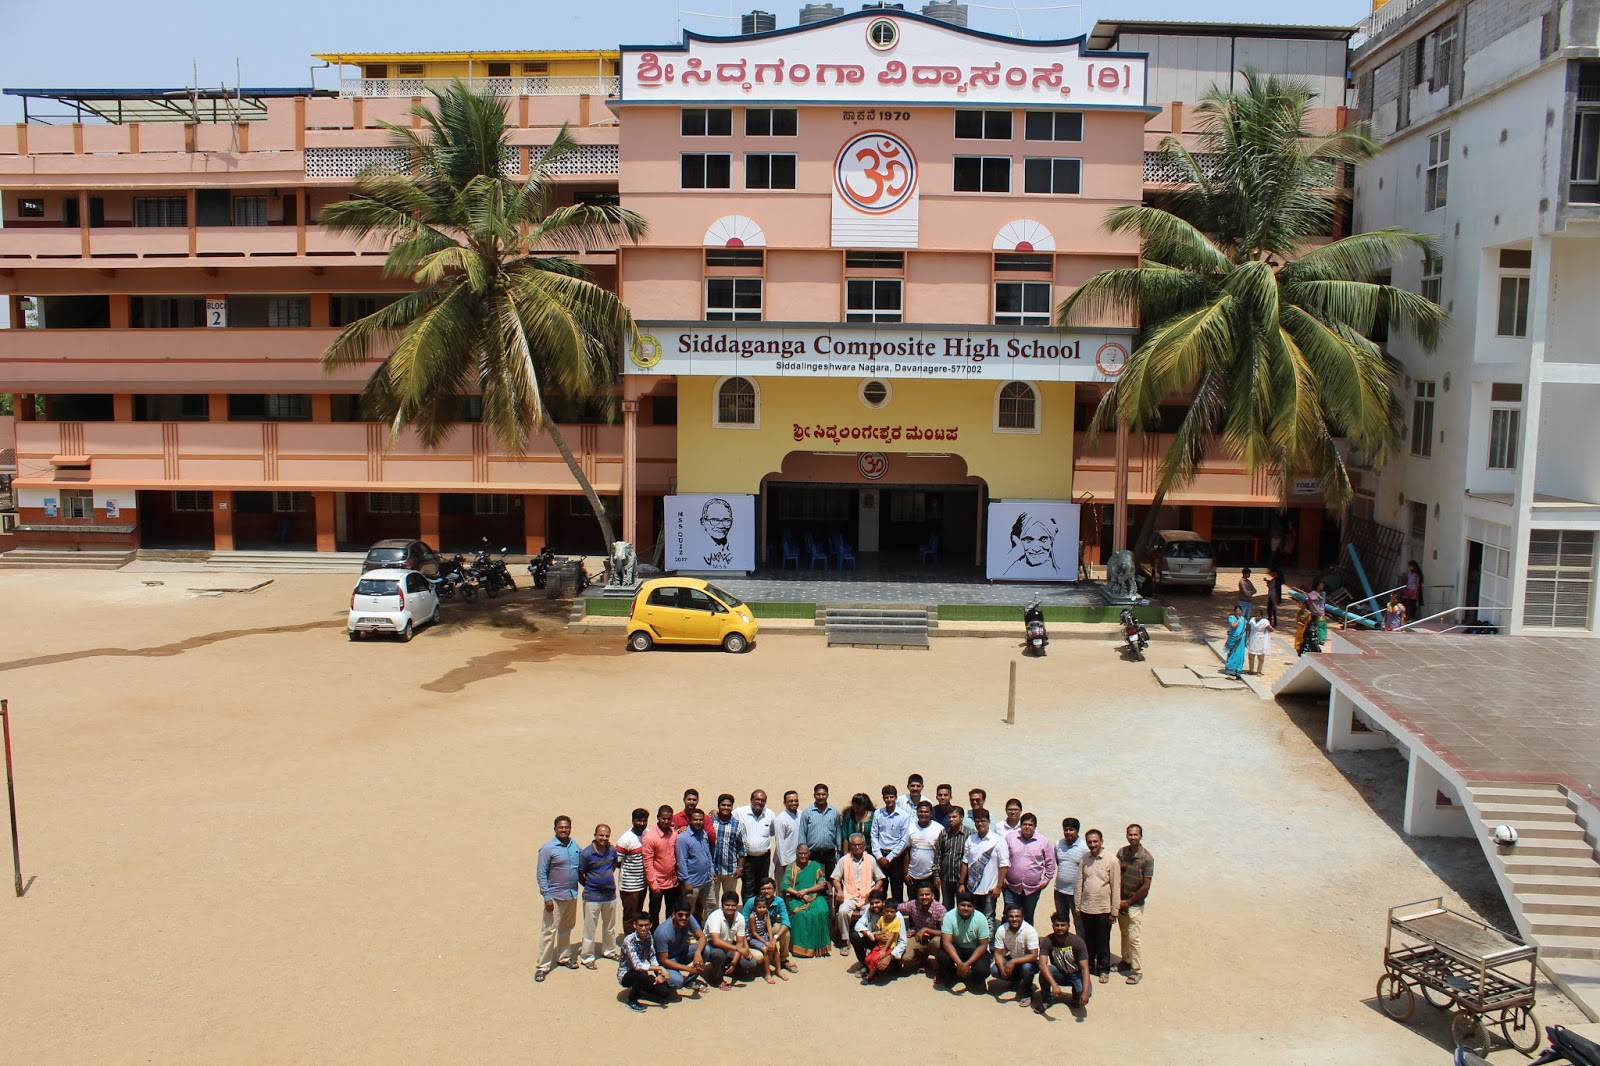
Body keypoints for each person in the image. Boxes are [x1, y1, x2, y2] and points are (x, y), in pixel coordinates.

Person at [535, 815, 583, 982]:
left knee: (567, 927)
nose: (564, 830)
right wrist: (546, 896)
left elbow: (582, 862)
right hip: (554, 897)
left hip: (571, 894)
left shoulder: (574, 844)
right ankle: (542, 966)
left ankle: (563, 957)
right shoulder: (548, 848)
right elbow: (541, 874)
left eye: (567, 827)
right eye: (561, 827)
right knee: (549, 931)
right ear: (555, 829)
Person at [1076, 829, 1120, 983]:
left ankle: (1103, 969)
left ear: (1102, 841)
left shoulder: (1112, 860)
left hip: (1103, 909)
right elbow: (1079, 883)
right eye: (1089, 842)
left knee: (1103, 940)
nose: (1092, 844)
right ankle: (1088, 967)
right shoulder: (1084, 859)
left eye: (1095, 841)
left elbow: (1116, 887)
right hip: (1087, 907)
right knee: (1088, 941)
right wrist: (1078, 906)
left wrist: (1114, 911)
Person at [578, 823, 620, 968]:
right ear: (595, 835)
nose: (604, 838)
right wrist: (592, 885)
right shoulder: (587, 853)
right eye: (601, 835)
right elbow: (580, 874)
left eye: (607, 836)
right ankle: (587, 957)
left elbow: (613, 866)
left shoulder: (612, 851)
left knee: (609, 926)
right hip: (592, 896)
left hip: (609, 895)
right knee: (590, 928)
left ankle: (609, 950)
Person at [831, 833, 885, 947]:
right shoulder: (844, 860)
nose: (857, 847)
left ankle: (868, 940)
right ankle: (845, 941)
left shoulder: (871, 859)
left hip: (867, 896)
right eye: (854, 845)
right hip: (850, 895)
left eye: (859, 845)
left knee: (872, 911)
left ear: (864, 846)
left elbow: (880, 879)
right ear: (850, 846)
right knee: (842, 911)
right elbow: (835, 878)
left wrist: (874, 892)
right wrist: (839, 891)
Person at [1116, 824, 1154, 986]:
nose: (1132, 837)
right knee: (1124, 933)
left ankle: (1137, 970)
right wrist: (1119, 900)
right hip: (1121, 902)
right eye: (1130, 835)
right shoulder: (1122, 853)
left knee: (1134, 937)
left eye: (1135, 835)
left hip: (1134, 904)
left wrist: (1128, 902)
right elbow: (1116, 876)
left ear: (1141, 836)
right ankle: (1126, 960)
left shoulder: (1147, 858)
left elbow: (1145, 886)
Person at [1002, 813, 1056, 925]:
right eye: (1025, 824)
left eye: (1030, 825)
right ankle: (1007, 942)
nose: (1027, 827)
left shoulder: (1043, 841)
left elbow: (1050, 863)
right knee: (1009, 916)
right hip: (1011, 887)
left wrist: (1045, 881)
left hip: (1033, 889)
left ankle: (1027, 942)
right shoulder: (1010, 838)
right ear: (1020, 825)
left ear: (1035, 827)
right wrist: (1001, 878)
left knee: (1028, 916)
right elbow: (1002, 859)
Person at [1035, 912, 1093, 1015]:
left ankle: (1077, 995)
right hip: (1058, 973)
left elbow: (1085, 968)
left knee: (1086, 993)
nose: (1060, 928)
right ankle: (1047, 1000)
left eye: (1063, 925)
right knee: (1044, 972)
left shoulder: (1077, 942)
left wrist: (1085, 992)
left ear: (1068, 926)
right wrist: (1054, 984)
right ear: (1052, 926)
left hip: (1076, 974)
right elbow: (1042, 964)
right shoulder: (1047, 941)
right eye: (1057, 925)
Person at [783, 843, 832, 958]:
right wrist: (800, 894)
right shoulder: (791, 867)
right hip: (796, 898)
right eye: (800, 854)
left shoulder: (815, 865)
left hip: (815, 896)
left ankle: (819, 947)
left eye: (805, 853)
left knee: (821, 911)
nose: (803, 856)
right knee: (800, 914)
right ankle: (800, 949)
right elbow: (786, 886)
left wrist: (806, 891)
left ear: (809, 854)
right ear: (796, 854)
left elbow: (822, 885)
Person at [703, 891, 761, 990]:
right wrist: (738, 949)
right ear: (722, 905)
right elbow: (716, 941)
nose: (730, 908)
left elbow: (740, 942)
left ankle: (728, 967)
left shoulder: (740, 918)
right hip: (710, 946)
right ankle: (717, 978)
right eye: (727, 905)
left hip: (728, 946)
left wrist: (734, 962)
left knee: (750, 964)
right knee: (719, 954)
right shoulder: (715, 916)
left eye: (733, 905)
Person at [936, 894, 993, 992]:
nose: (965, 908)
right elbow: (947, 943)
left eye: (969, 906)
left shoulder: (981, 918)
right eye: (962, 905)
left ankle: (975, 979)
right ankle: (954, 975)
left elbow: (983, 945)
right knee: (942, 956)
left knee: (983, 970)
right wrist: (959, 963)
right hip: (957, 948)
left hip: (975, 949)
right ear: (957, 905)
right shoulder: (949, 916)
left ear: (974, 907)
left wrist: (966, 964)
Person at [617, 913, 673, 1012]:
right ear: (635, 925)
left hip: (642, 973)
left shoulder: (649, 937)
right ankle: (632, 999)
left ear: (650, 925)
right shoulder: (629, 941)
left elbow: (652, 956)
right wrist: (660, 968)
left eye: (646, 925)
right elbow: (637, 965)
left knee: (665, 992)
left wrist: (659, 974)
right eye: (641, 926)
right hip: (627, 974)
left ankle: (641, 989)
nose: (643, 929)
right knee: (641, 974)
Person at [740, 877, 796, 973]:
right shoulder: (751, 902)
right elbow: (743, 923)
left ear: (774, 890)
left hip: (769, 929)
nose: (766, 891)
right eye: (763, 889)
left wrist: (774, 938)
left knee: (785, 933)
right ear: (759, 891)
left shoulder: (779, 901)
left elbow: (786, 922)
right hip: (753, 933)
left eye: (769, 888)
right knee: (758, 958)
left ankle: (783, 960)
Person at [960, 809, 1008, 921]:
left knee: (988, 918)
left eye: (983, 821)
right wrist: (962, 883)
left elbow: (1004, 865)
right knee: (973, 918)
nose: (980, 824)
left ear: (989, 822)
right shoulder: (971, 839)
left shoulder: (998, 840)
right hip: (972, 888)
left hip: (990, 889)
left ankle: (989, 939)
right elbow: (965, 862)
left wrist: (999, 887)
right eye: (977, 821)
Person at [852, 890, 906, 984]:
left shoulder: (897, 917)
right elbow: (858, 925)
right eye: (872, 903)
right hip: (877, 943)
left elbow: (902, 942)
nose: (874, 906)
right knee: (855, 936)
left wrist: (889, 957)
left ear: (884, 902)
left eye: (877, 902)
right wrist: (872, 935)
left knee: (883, 969)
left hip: (890, 948)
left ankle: (886, 967)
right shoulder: (869, 910)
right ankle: (866, 966)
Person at [992, 903, 1041, 1005]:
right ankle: (1015, 981)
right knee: (995, 970)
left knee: (1027, 968)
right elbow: (998, 953)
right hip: (1012, 957)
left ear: (1022, 917)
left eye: (1017, 916)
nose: (1014, 919)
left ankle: (1027, 992)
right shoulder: (1001, 930)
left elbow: (1033, 955)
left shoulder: (1030, 931)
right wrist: (1002, 969)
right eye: (1011, 916)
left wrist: (1013, 962)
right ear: (1006, 917)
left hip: (1029, 961)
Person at [652, 904, 708, 993]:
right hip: (666, 962)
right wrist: (688, 969)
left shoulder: (689, 919)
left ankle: (690, 981)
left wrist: (697, 953)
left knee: (706, 950)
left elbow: (702, 937)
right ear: (673, 915)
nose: (684, 918)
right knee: (678, 981)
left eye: (687, 915)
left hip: (681, 953)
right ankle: (660, 981)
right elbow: (664, 961)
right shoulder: (663, 932)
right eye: (680, 915)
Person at [870, 785, 911, 905]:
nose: (889, 800)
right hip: (880, 855)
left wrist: (890, 857)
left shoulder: (904, 816)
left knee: (897, 889)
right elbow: (874, 835)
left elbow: (904, 840)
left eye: (891, 797)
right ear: (883, 799)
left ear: (896, 798)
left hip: (896, 857)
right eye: (886, 797)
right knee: (881, 887)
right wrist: (879, 856)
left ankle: (896, 917)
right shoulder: (878, 813)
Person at [675, 808, 716, 923]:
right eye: (695, 820)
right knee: (688, 911)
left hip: (707, 880)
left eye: (700, 820)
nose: (698, 822)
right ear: (689, 820)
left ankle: (710, 933)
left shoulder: (703, 834)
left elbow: (708, 854)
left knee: (711, 907)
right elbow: (681, 862)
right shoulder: (683, 838)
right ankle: (688, 936)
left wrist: (712, 870)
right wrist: (686, 882)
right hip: (692, 883)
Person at [733, 790, 776, 901]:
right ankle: (748, 913)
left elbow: (772, 831)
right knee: (748, 886)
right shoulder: (740, 812)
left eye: (763, 800)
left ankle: (760, 911)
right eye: (757, 799)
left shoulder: (770, 814)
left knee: (762, 885)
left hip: (764, 857)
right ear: (751, 799)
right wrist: (714, 812)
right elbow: (726, 817)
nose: (760, 802)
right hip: (747, 858)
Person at [642, 805, 681, 925]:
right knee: (654, 913)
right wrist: (653, 884)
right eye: (663, 818)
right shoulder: (650, 838)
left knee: (672, 912)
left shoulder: (674, 833)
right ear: (658, 817)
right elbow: (647, 863)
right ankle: (654, 938)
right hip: (657, 883)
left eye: (669, 819)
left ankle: (669, 938)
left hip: (673, 882)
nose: (666, 821)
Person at [897, 882, 948, 974]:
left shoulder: (940, 909)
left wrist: (926, 930)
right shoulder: (913, 904)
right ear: (917, 896)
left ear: (933, 896)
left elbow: (946, 932)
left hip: (934, 940)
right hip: (918, 938)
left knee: (937, 942)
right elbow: (894, 908)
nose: (924, 897)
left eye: (927, 894)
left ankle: (939, 968)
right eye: (921, 895)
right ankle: (922, 959)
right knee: (904, 958)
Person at [798, 784, 841, 889]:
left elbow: (838, 833)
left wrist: (839, 853)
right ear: (814, 795)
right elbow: (802, 834)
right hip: (812, 854)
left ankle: (830, 904)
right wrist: (802, 854)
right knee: (813, 881)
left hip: (829, 853)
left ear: (827, 795)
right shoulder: (807, 812)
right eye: (818, 794)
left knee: (831, 882)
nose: (821, 797)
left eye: (823, 794)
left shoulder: (834, 812)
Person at [615, 808, 650, 927]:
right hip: (629, 887)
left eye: (644, 821)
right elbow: (617, 862)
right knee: (630, 916)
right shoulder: (625, 839)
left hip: (642, 884)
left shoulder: (647, 834)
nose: (642, 824)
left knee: (638, 914)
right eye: (638, 821)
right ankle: (629, 941)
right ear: (633, 821)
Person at [708, 793, 746, 903]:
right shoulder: (711, 822)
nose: (726, 808)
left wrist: (740, 869)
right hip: (712, 870)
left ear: (732, 807)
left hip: (731, 870)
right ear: (718, 806)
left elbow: (742, 849)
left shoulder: (738, 825)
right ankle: (711, 920)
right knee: (711, 902)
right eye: (723, 805)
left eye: (729, 805)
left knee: (729, 901)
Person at [1052, 817, 1088, 932]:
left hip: (1076, 893)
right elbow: (1059, 863)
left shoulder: (1084, 847)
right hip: (1059, 890)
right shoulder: (1058, 844)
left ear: (1077, 831)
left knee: (1079, 922)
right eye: (1066, 829)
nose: (1068, 832)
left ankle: (1081, 947)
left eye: (1071, 829)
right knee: (1062, 922)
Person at [904, 800, 943, 895]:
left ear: (931, 814)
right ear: (917, 813)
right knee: (913, 904)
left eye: (926, 812)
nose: (923, 814)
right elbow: (906, 852)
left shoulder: (939, 829)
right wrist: (906, 873)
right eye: (921, 812)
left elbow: (941, 853)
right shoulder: (910, 828)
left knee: (932, 904)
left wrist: (938, 875)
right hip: (913, 875)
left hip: (931, 875)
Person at [934, 807, 968, 911]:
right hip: (946, 877)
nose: (951, 819)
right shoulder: (944, 833)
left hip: (962, 879)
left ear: (961, 818)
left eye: (954, 817)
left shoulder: (969, 834)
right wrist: (936, 875)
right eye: (949, 817)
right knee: (946, 907)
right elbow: (938, 854)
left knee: (962, 906)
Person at [747, 895, 787, 984]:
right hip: (754, 938)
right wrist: (765, 942)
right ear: (755, 907)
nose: (762, 909)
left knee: (775, 948)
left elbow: (768, 926)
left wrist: (771, 939)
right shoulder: (752, 916)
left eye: (764, 907)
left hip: (763, 934)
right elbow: (753, 933)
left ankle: (778, 970)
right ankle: (767, 974)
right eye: (759, 907)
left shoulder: (766, 913)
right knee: (766, 950)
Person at [772, 790, 801, 888]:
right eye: (791, 801)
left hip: (799, 860)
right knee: (784, 889)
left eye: (796, 801)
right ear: (785, 803)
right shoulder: (781, 819)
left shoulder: (801, 815)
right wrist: (784, 864)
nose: (794, 803)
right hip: (786, 861)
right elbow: (780, 842)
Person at [1221, 606, 1248, 680]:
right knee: (1232, 653)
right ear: (1234, 611)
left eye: (1239, 611)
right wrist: (1238, 620)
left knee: (1240, 654)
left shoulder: (1244, 620)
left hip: (1241, 639)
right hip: (1233, 638)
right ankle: (1230, 669)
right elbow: (1233, 626)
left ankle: (1238, 670)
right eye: (1237, 611)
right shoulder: (1231, 618)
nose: (1238, 612)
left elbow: (1246, 629)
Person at [1246, 606, 1273, 675]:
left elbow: (1271, 629)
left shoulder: (1264, 622)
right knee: (1251, 656)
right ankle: (1251, 670)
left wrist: (1264, 631)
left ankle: (1259, 671)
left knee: (1260, 657)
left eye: (1259, 616)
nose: (1257, 617)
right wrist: (1248, 636)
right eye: (1256, 616)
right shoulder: (1252, 620)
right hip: (1253, 638)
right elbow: (1249, 628)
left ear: (1261, 616)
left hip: (1261, 640)